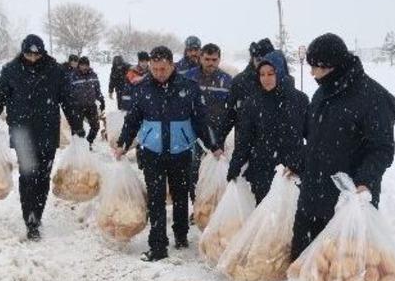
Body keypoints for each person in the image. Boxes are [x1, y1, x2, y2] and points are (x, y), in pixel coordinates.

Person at [279, 33, 395, 281]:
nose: (313, 74)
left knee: (346, 263)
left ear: (334, 65)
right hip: (313, 190)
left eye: (317, 68)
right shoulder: (323, 93)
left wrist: (364, 181)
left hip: (348, 199)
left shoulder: (373, 98)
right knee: (304, 253)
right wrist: (299, 163)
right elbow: (316, 142)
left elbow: (382, 149)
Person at [115, 46, 223, 262]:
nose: (158, 73)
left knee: (181, 195)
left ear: (172, 65)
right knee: (156, 199)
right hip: (152, 151)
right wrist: (123, 143)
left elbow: (201, 119)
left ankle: (181, 235)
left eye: (163, 69)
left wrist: (213, 144)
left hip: (180, 150)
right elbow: (132, 119)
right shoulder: (142, 87)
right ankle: (157, 246)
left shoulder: (188, 87)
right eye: (154, 69)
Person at [0, 34, 83, 241]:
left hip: (47, 131)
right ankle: (30, 221)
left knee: (43, 178)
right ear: (23, 52)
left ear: (42, 52)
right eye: (28, 54)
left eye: (36, 54)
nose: (32, 58)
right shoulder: (11, 70)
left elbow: (68, 101)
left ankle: (37, 215)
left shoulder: (55, 71)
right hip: (22, 132)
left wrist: (77, 127)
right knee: (28, 177)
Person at [226, 50, 308, 203]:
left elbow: (313, 136)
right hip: (263, 170)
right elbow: (244, 139)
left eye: (271, 74)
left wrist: (298, 162)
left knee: (290, 221)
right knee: (266, 222)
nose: (266, 79)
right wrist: (235, 165)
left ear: (280, 72)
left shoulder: (299, 100)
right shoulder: (253, 103)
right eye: (262, 74)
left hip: (291, 172)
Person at [184, 43, 233, 203]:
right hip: (193, 133)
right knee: (194, 170)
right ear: (200, 58)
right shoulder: (188, 77)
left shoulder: (226, 80)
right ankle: (198, 204)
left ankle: (214, 205)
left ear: (219, 60)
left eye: (214, 59)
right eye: (207, 59)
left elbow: (232, 109)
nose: (210, 63)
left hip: (219, 133)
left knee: (217, 170)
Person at [221, 38, 275, 143]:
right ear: (252, 59)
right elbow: (229, 114)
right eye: (259, 60)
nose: (262, 65)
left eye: (266, 60)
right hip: (245, 147)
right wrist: (218, 141)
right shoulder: (240, 82)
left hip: (274, 147)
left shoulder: (280, 81)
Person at [69, 56, 105, 148]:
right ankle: (78, 146)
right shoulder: (73, 76)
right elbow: (68, 93)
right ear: (79, 65)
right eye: (82, 65)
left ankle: (88, 142)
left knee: (96, 126)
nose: (84, 67)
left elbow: (97, 90)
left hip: (91, 105)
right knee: (78, 129)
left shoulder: (93, 75)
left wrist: (101, 100)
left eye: (86, 65)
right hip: (78, 107)